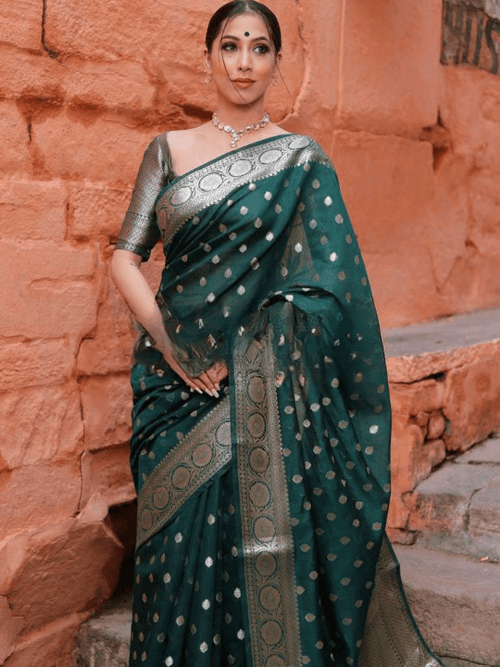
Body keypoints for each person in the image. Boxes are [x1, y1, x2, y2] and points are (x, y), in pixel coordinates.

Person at [112, 2, 444, 666]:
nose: (243, 63)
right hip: (171, 386)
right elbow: (125, 257)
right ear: (209, 56)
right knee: (171, 554)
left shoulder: (301, 160)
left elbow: (331, 287)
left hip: (262, 386)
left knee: (260, 548)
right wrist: (175, 349)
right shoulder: (167, 151)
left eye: (259, 48)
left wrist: (259, 343)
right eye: (230, 46)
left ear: (277, 62)